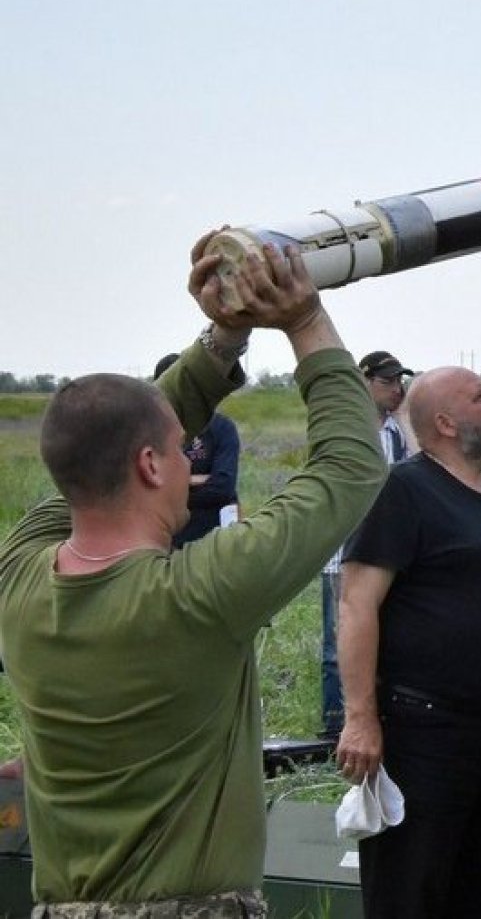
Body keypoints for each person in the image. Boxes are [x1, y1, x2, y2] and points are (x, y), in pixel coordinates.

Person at [0, 235, 387, 914]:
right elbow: (351, 463)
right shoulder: (199, 594)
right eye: (180, 449)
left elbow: (110, 438)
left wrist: (225, 335)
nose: (188, 460)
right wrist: (302, 321)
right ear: (151, 465)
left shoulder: (19, 577)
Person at [335, 365, 481, 919]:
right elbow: (356, 604)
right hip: (424, 735)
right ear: (445, 423)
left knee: (478, 896)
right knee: (412, 895)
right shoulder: (404, 491)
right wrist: (360, 716)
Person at [319, 350, 414, 738]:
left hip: (385, 552)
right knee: (337, 640)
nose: (397, 390)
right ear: (364, 382)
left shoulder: (397, 430)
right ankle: (334, 725)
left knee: (382, 635)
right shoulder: (346, 429)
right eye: (387, 382)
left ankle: (378, 720)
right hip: (344, 550)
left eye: (400, 382)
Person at [150, 351, 241, 548]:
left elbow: (223, 488)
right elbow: (140, 492)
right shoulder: (147, 434)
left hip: (216, 541)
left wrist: (170, 489)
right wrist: (199, 478)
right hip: (165, 543)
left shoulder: (222, 428)